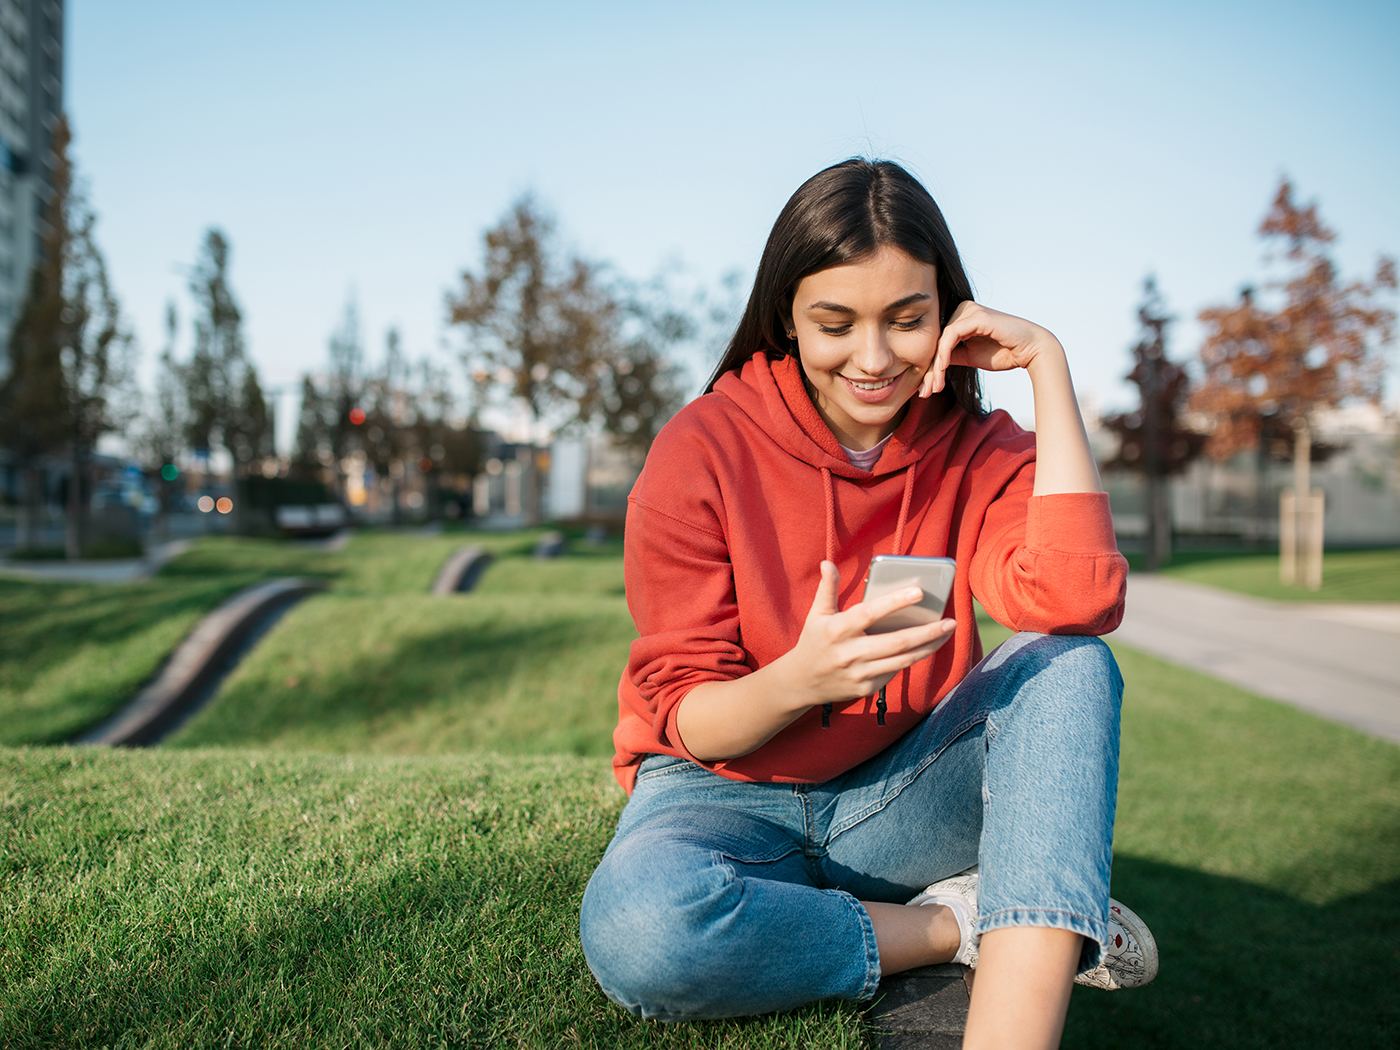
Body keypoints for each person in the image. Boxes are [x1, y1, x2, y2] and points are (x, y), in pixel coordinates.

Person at [579, 159, 1157, 1050]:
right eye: (836, 323)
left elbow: (1077, 598)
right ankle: (966, 923)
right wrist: (799, 680)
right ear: (787, 318)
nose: (876, 357)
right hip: (720, 796)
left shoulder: (978, 450)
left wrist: (1049, 367)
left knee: (1069, 662)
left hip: (898, 795)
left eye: (907, 319)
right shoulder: (701, 449)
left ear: (948, 314)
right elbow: (687, 715)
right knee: (641, 930)